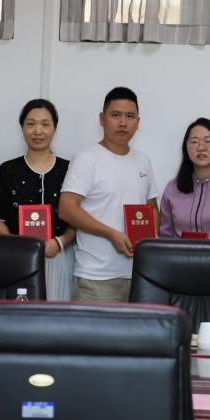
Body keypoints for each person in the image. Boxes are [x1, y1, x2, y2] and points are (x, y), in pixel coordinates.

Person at [59, 86, 156, 302]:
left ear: (138, 121)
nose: (123, 123)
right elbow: (66, 208)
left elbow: (151, 208)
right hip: (96, 277)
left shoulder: (143, 160)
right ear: (102, 119)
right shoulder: (86, 158)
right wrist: (111, 233)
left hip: (140, 274)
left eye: (130, 116)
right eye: (115, 115)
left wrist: (148, 241)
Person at [0, 98, 76, 300]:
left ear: (55, 128)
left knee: (57, 313)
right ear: (22, 128)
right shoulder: (8, 170)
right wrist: (17, 248)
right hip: (17, 258)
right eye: (31, 124)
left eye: (45, 124)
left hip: (60, 255)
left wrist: (60, 242)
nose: (38, 131)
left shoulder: (70, 169)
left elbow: (78, 216)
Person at [159, 118, 210, 241]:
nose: (201, 147)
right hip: (178, 253)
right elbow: (165, 235)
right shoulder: (172, 187)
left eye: (207, 141)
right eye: (194, 142)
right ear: (186, 148)